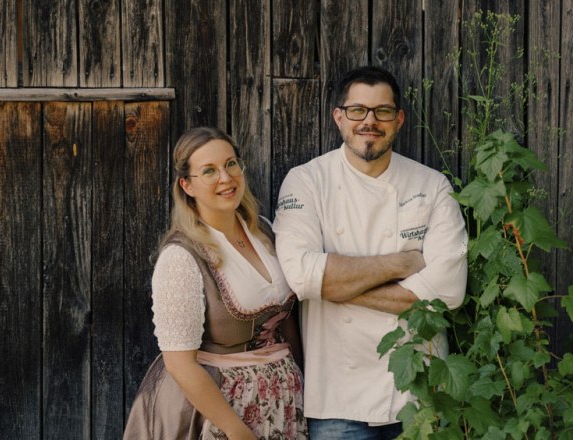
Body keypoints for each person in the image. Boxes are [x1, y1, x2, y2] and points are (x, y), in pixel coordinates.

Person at [273, 66, 468, 439]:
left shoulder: (432, 185)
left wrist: (334, 285)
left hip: (420, 394)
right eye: (358, 110)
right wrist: (403, 262)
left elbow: (448, 292)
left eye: (381, 111)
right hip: (337, 401)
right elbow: (301, 276)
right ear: (339, 117)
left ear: (398, 119)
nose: (369, 121)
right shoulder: (307, 181)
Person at [124, 127, 307, 440]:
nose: (226, 178)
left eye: (231, 164)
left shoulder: (263, 232)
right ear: (187, 185)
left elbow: (288, 319)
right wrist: (237, 432)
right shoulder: (182, 257)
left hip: (281, 402)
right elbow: (180, 365)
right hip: (217, 412)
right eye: (208, 171)